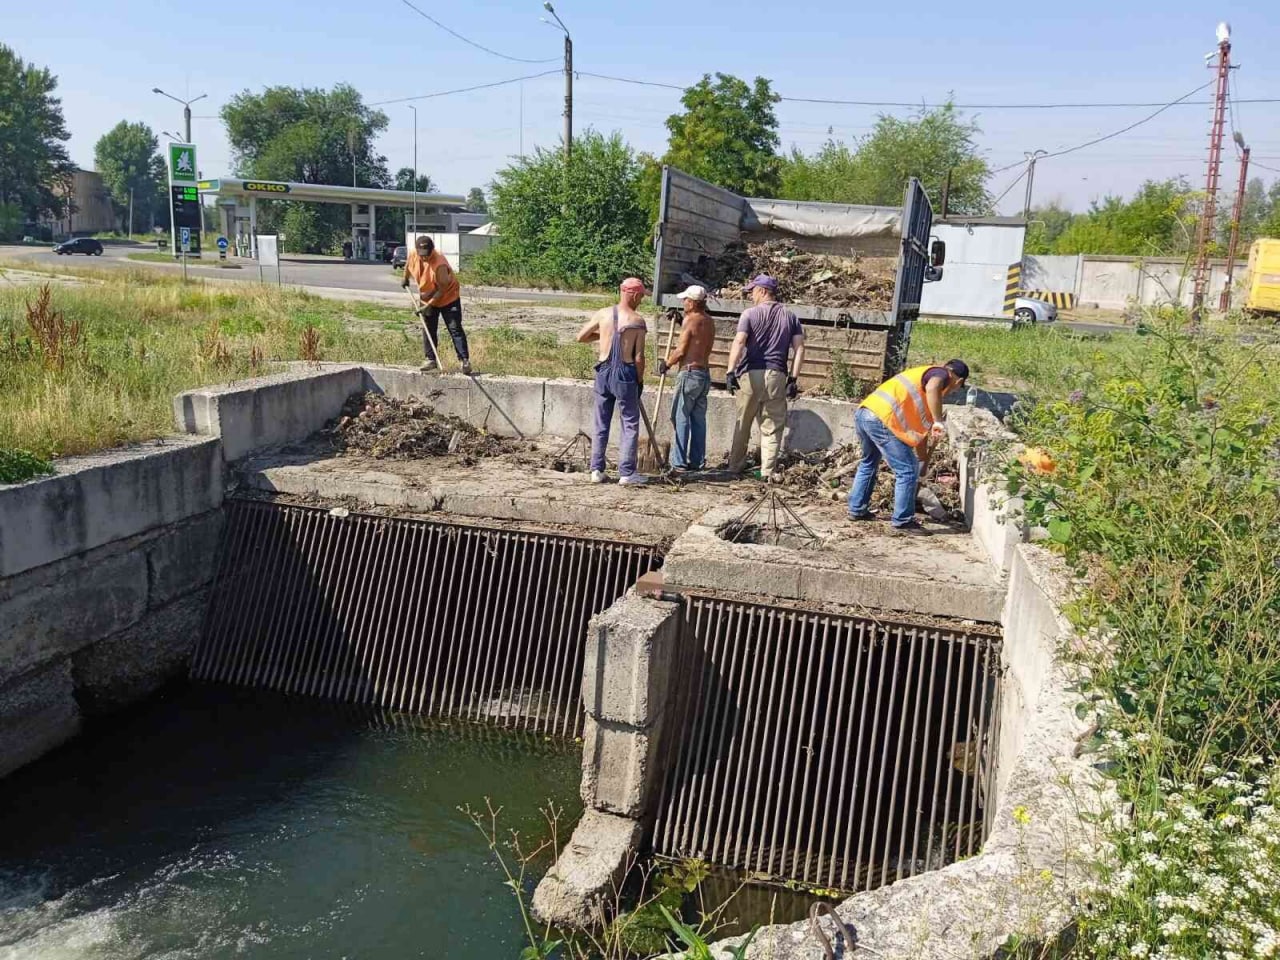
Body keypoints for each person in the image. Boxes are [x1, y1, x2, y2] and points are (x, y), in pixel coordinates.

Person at [847, 359, 970, 534]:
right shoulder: (939, 375)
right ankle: (903, 521)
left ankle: (857, 509)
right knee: (906, 470)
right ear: (958, 382)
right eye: (958, 388)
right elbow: (933, 387)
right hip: (883, 419)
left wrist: (921, 463)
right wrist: (938, 421)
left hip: (866, 413)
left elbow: (920, 439)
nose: (954, 391)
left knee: (869, 462)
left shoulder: (926, 392)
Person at [726, 275, 805, 479]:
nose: (751, 295)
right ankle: (767, 471)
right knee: (772, 425)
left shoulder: (749, 315)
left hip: (750, 374)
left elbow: (739, 341)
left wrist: (730, 371)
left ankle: (735, 465)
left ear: (762, 291)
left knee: (743, 421)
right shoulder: (791, 317)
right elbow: (800, 349)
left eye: (752, 291)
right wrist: (794, 379)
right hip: (777, 374)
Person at [577, 278, 649, 486]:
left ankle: (596, 470)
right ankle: (627, 473)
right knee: (629, 422)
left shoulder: (603, 314)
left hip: (603, 371)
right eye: (641, 297)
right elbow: (639, 357)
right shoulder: (637, 321)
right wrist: (640, 379)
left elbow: (581, 337)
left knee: (601, 422)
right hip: (624, 373)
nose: (641, 301)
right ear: (634, 295)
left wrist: (603, 336)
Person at [658, 285, 716, 472]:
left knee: (680, 417)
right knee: (698, 420)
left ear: (692, 302)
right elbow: (697, 338)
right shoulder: (709, 320)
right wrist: (679, 320)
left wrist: (667, 363)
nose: (683, 303)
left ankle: (679, 462)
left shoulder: (690, 320)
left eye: (685, 300)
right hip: (704, 375)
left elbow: (682, 350)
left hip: (689, 374)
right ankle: (697, 461)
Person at [401, 235, 472, 375]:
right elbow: (408, 266)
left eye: (426, 255)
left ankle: (464, 361)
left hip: (448, 297)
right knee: (428, 328)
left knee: (454, 328)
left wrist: (429, 305)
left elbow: (442, 289)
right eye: (421, 255)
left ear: (432, 250)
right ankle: (430, 359)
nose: (424, 258)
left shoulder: (439, 263)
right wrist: (405, 279)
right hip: (427, 297)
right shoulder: (414, 255)